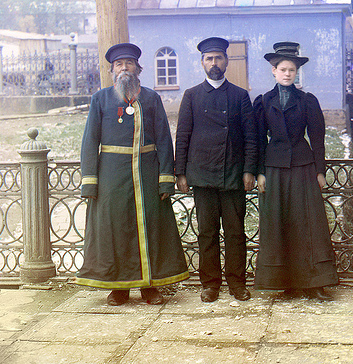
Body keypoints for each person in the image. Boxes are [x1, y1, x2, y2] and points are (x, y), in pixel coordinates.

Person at [75, 43, 189, 306]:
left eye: (128, 63)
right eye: (118, 64)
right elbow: (90, 142)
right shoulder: (100, 99)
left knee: (151, 229)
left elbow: (163, 139)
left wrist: (165, 178)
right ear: (112, 70)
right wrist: (89, 181)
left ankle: (151, 287)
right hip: (111, 178)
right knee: (116, 230)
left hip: (147, 175)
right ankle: (118, 289)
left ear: (138, 68)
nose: (124, 68)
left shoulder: (151, 98)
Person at [175, 37, 258, 302]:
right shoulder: (191, 95)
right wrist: (181, 173)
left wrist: (248, 170)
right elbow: (183, 135)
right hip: (202, 173)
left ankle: (237, 283)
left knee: (235, 232)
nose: (214, 63)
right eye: (209, 58)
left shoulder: (239, 95)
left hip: (233, 174)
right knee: (207, 233)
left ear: (227, 62)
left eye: (218, 58)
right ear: (202, 63)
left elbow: (251, 137)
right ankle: (210, 285)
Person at [254, 42, 338, 299]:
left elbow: (318, 137)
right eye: (283, 69)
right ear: (273, 71)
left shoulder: (308, 101)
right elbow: (257, 140)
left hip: (303, 167)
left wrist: (320, 171)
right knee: (279, 222)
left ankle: (315, 283)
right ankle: (286, 282)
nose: (288, 73)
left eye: (292, 69)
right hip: (275, 167)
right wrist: (259, 172)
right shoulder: (264, 101)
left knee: (308, 224)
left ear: (297, 72)